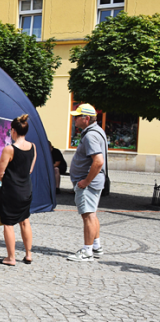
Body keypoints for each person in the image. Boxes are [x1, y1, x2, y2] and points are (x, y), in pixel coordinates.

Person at [67, 103, 107, 262]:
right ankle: (96, 246)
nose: (74, 119)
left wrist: (85, 181)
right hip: (92, 182)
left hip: (88, 183)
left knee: (88, 216)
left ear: (87, 118)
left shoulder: (91, 135)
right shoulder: (97, 131)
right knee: (92, 214)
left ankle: (87, 251)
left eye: (77, 116)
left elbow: (98, 161)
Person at [0, 114, 36, 266]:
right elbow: (30, 169)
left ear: (13, 131)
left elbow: (0, 173)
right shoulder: (33, 147)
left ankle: (11, 258)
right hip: (26, 189)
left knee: (9, 224)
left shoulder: (9, 149)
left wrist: (7, 180)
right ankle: (28, 254)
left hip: (11, 190)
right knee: (25, 221)